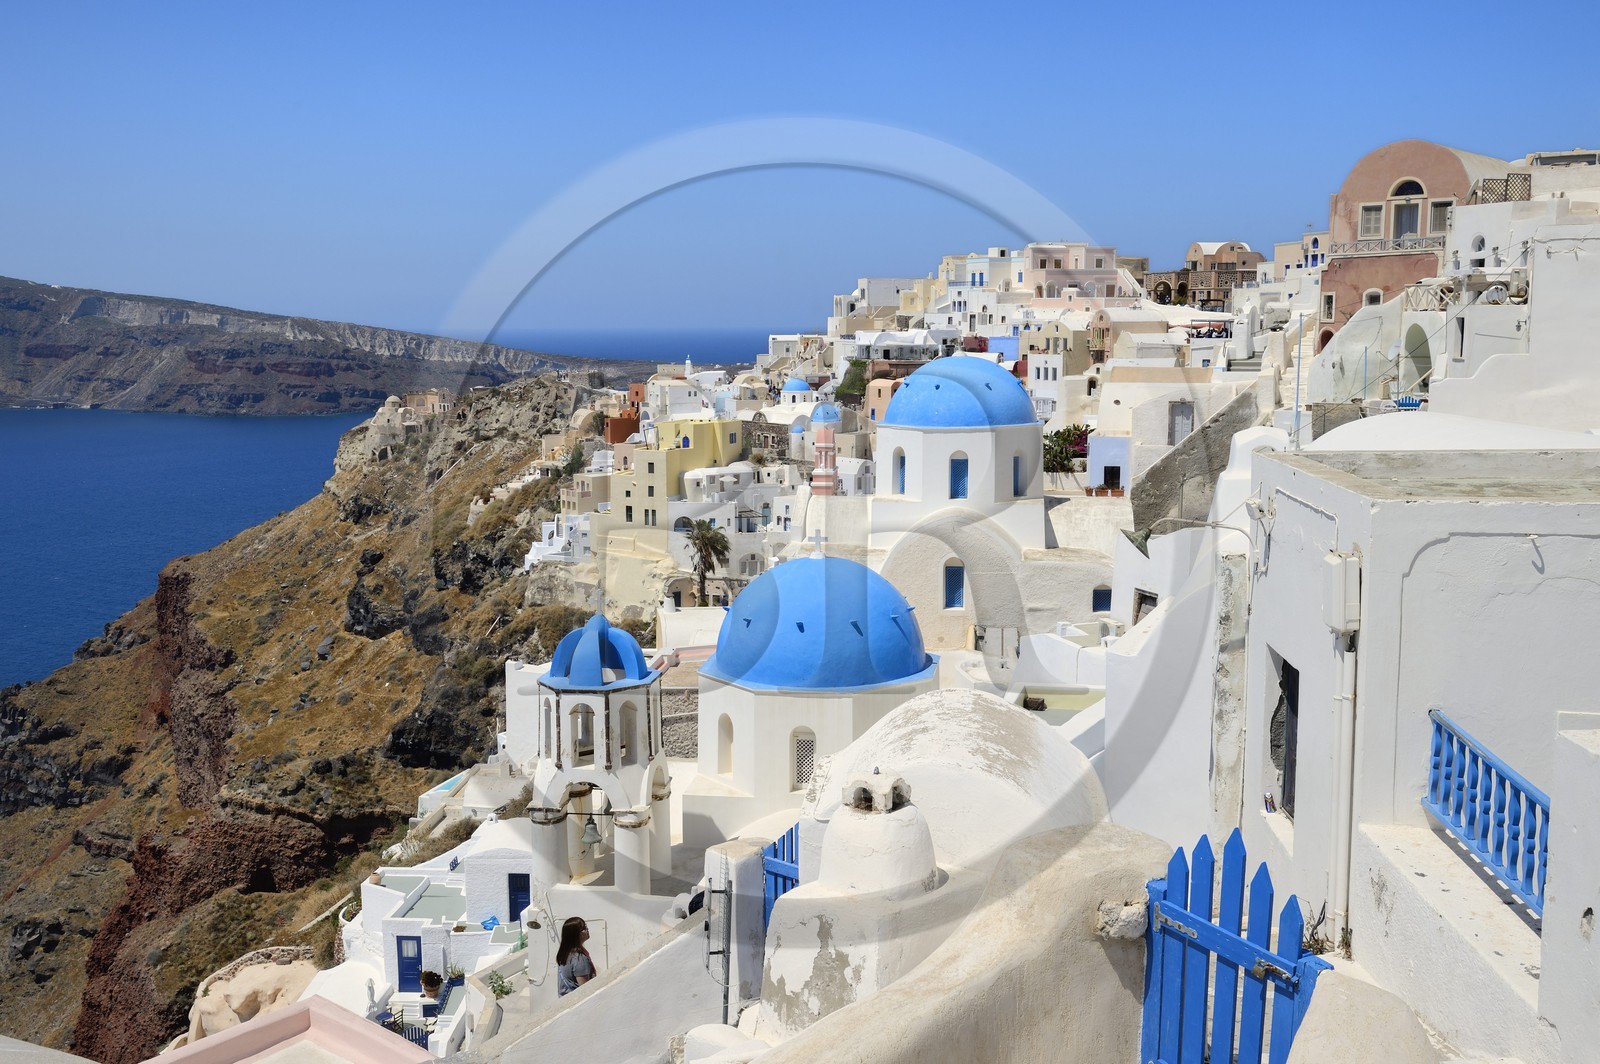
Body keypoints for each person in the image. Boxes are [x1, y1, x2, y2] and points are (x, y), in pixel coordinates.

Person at [555, 917, 595, 996]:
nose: (587, 929)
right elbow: (585, 990)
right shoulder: (579, 958)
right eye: (584, 928)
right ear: (576, 934)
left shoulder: (565, 954)